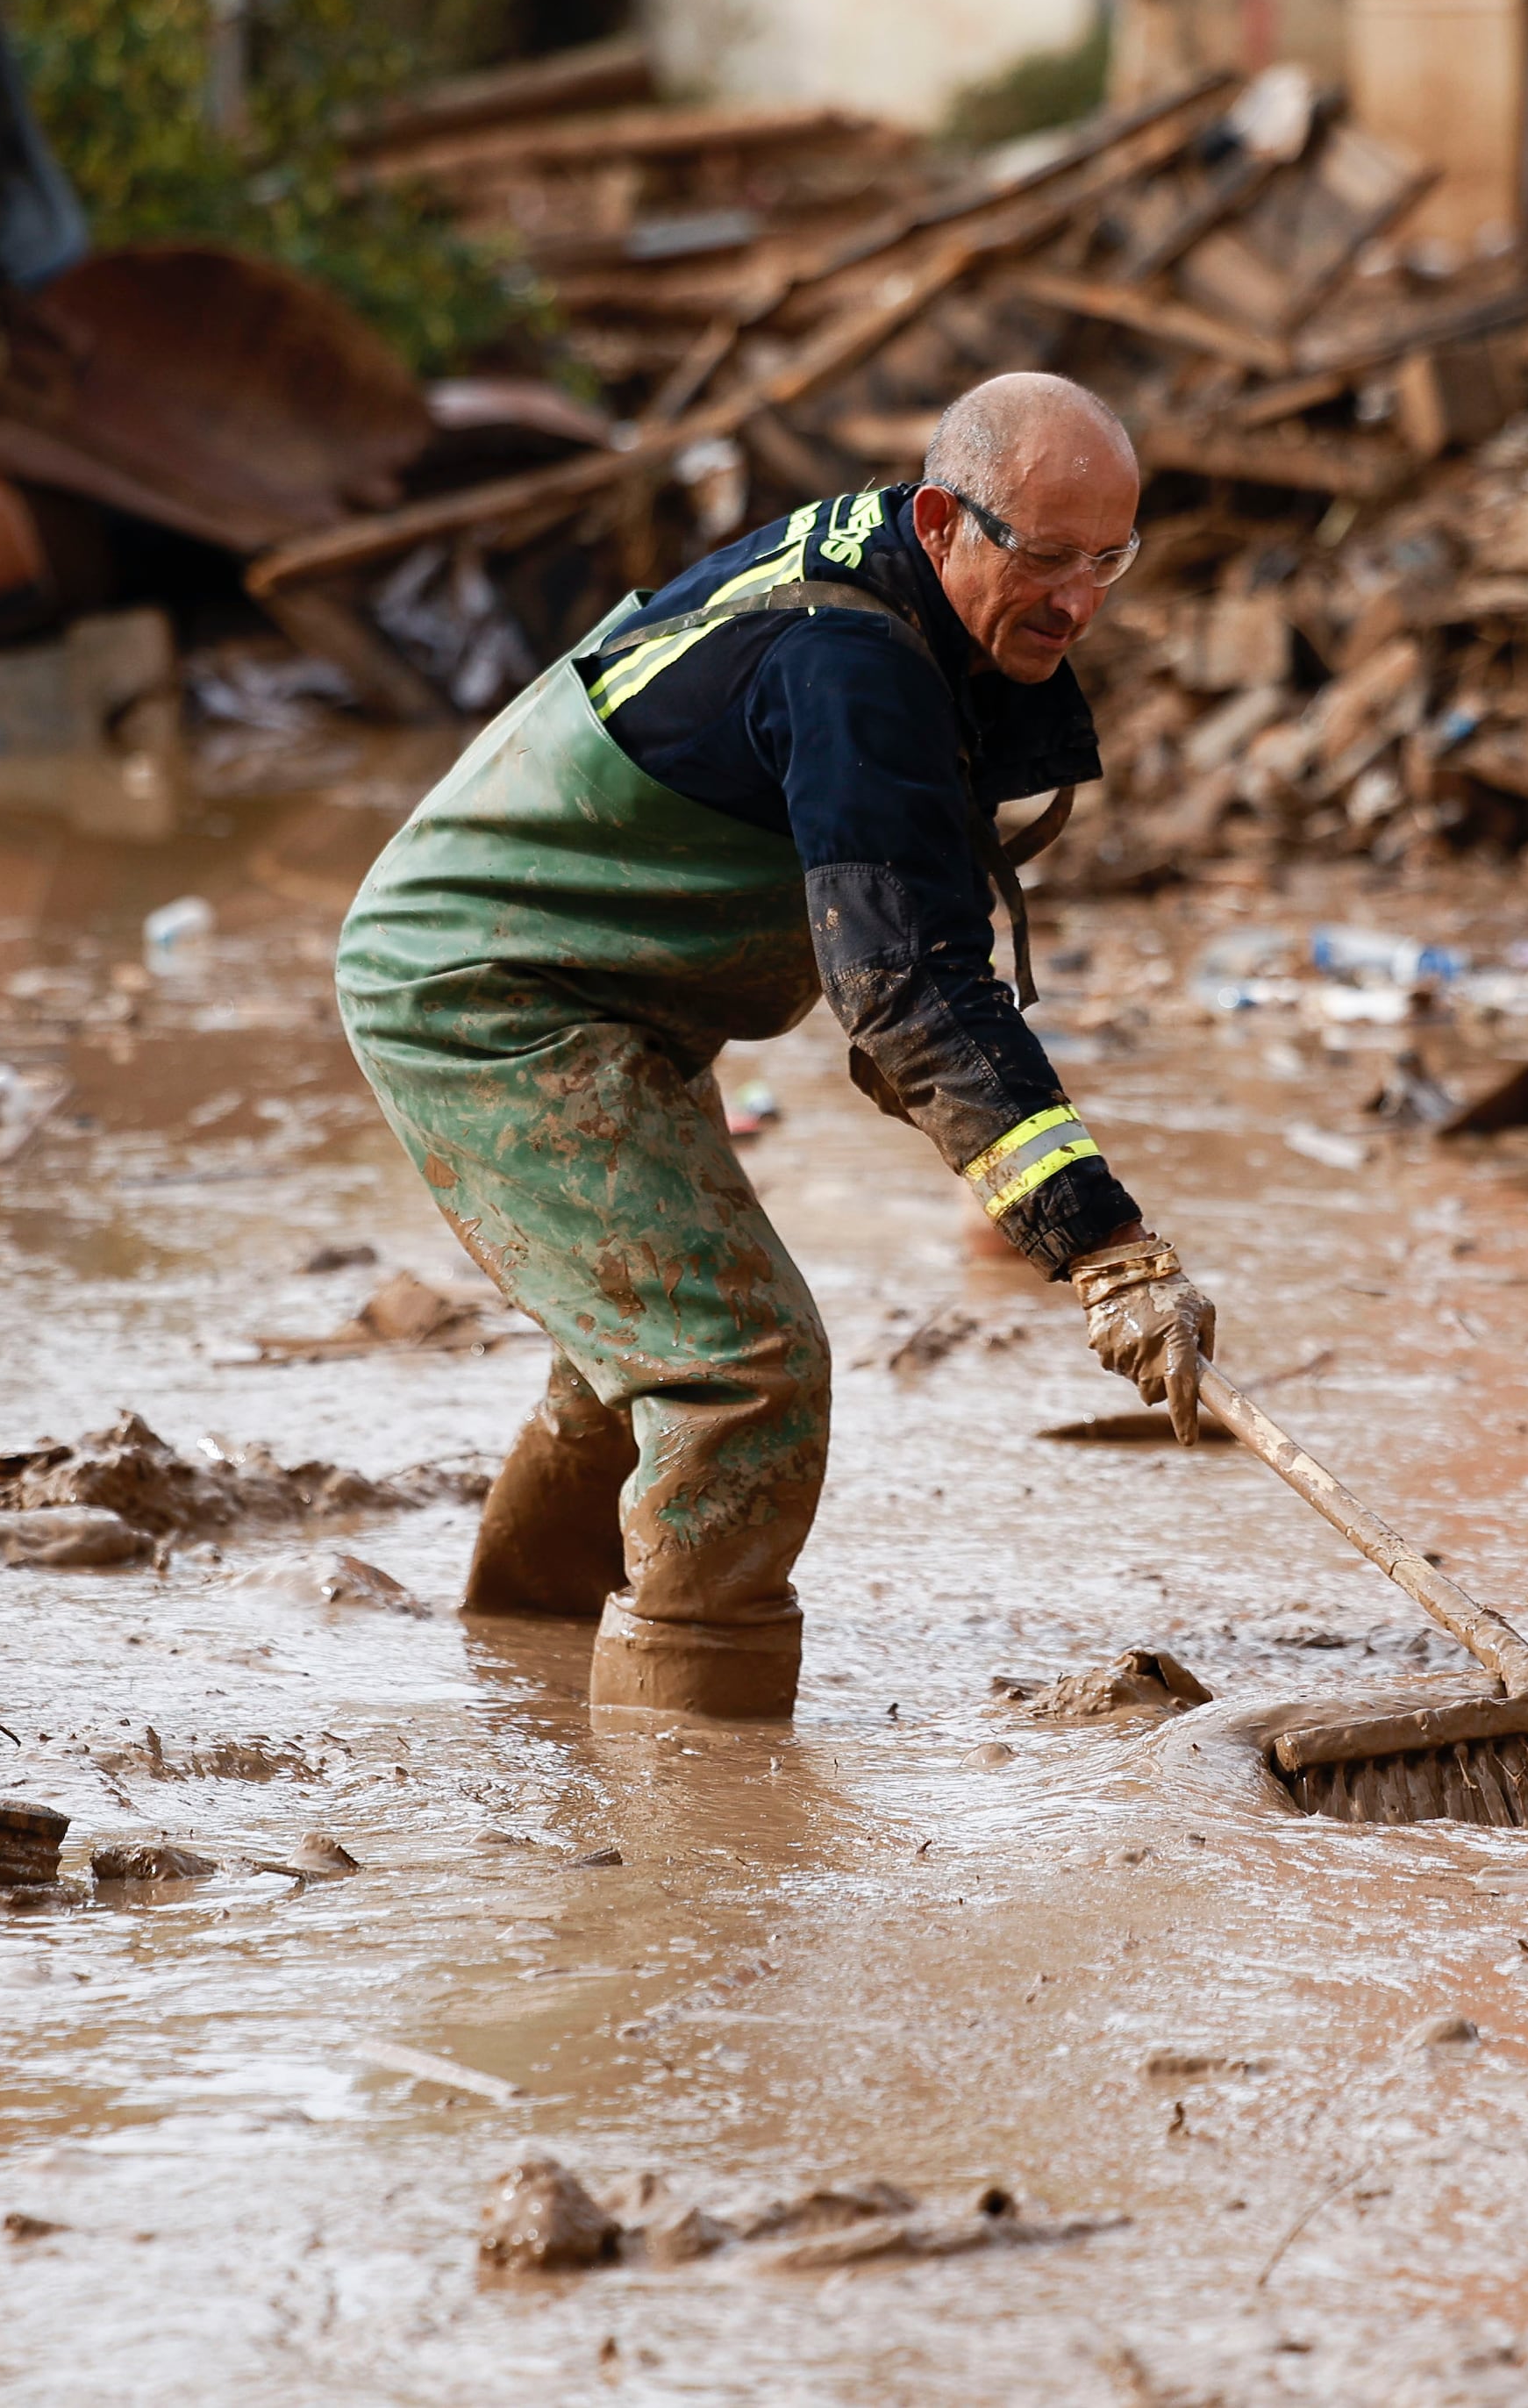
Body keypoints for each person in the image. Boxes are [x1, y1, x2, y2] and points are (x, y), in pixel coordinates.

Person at [335, 370, 1217, 1722]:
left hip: (611, 983)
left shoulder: (922, 587)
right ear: (942, 519)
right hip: (489, 990)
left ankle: (518, 1671)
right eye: (1045, 557)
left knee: (633, 1343)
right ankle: (697, 1796)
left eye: (1111, 560)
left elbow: (909, 972)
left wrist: (1018, 1169)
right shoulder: (853, 662)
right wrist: (1101, 1244)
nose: (1080, 602)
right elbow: (909, 988)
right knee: (741, 1369)